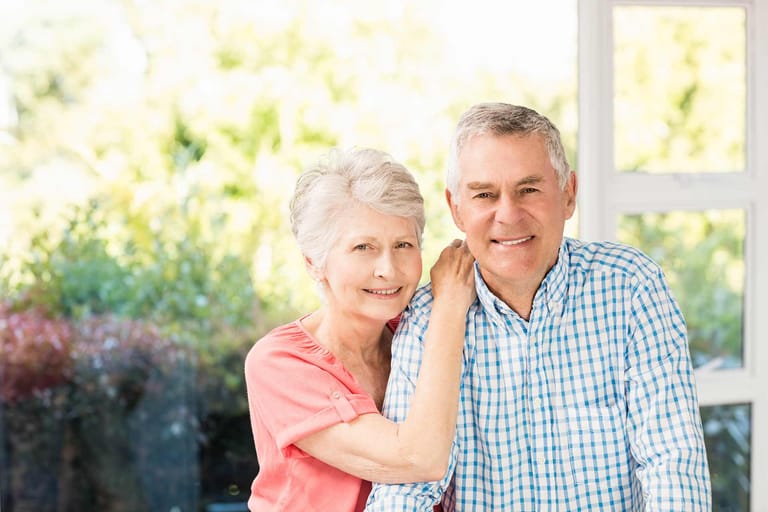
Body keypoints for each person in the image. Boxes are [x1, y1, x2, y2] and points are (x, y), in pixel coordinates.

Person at [366, 102, 711, 511]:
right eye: (484, 195)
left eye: (529, 189)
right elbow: (406, 491)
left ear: (568, 195)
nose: (508, 214)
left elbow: (672, 464)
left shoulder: (631, 288)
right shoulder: (428, 321)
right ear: (456, 208)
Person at [244, 147, 476, 511]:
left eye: (403, 245)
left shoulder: (414, 334)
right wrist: (450, 304)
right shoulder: (278, 363)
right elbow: (419, 459)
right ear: (314, 262)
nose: (388, 269)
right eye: (363, 247)